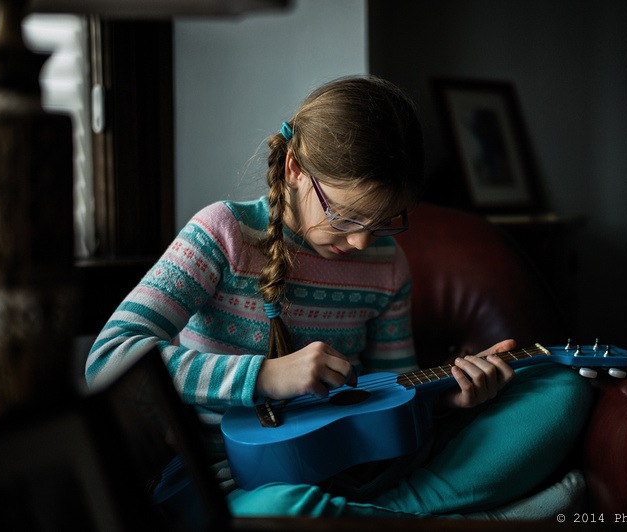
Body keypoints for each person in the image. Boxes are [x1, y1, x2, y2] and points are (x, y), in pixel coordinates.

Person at [85, 75, 592, 520]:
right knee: (276, 511)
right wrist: (262, 376)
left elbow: (393, 394)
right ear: (293, 170)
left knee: (561, 391)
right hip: (234, 476)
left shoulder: (387, 264)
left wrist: (449, 402)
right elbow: (108, 360)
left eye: (386, 222)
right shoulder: (223, 234)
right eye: (348, 218)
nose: (362, 243)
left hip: (354, 469)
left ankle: (378, 517)